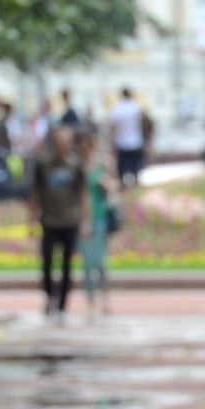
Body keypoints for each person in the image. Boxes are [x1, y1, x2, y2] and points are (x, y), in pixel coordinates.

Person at [29, 126, 87, 321]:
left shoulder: (76, 165)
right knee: (46, 264)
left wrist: (86, 220)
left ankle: (62, 304)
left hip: (70, 221)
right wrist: (31, 220)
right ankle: (49, 296)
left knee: (66, 266)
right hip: (50, 221)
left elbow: (83, 193)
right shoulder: (44, 164)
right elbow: (36, 193)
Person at [76, 129, 114, 317]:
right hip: (82, 219)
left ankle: (105, 298)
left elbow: (112, 190)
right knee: (87, 262)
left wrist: (106, 184)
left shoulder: (102, 164)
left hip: (99, 217)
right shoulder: (76, 165)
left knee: (100, 261)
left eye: (88, 144)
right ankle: (90, 300)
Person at [110, 88, 147, 189]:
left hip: (122, 141)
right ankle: (136, 183)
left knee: (123, 166)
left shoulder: (117, 109)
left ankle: (123, 185)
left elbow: (114, 127)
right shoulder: (136, 107)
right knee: (135, 166)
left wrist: (113, 140)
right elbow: (143, 123)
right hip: (135, 140)